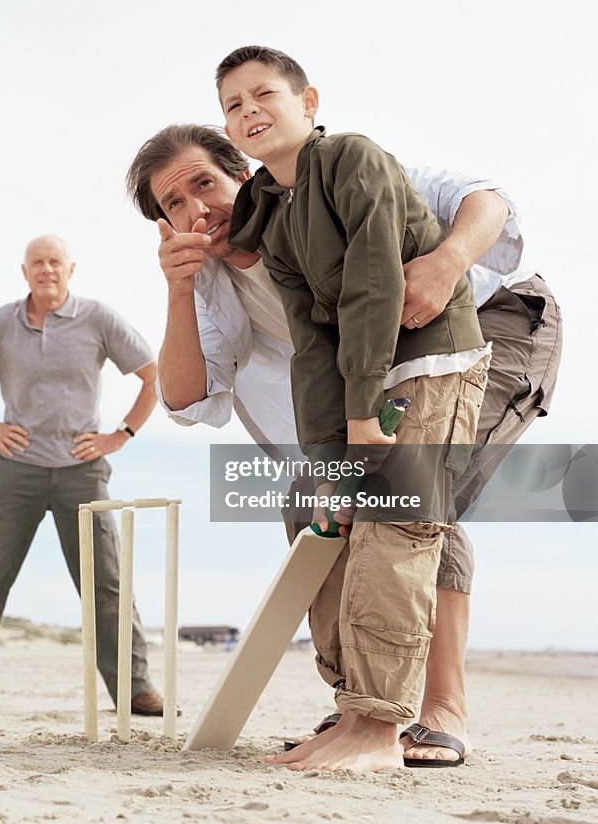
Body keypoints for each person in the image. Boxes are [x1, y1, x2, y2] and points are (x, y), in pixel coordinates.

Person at [126, 69, 559, 770]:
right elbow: (183, 399)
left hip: (491, 322)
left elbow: (488, 202)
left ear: (242, 170)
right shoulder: (211, 285)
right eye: (174, 204)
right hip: (373, 384)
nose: (196, 209)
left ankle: (437, 711)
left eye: (204, 184)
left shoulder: (330, 175)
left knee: (409, 496)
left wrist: (446, 262)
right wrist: (177, 293)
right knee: (314, 501)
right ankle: (358, 700)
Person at [0, 234, 167, 717]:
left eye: (54, 262)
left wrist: (121, 434)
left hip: (83, 473)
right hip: (17, 473)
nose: (46, 270)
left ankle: (135, 691)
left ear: (72, 269)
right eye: (36, 263)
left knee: (107, 582)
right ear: (24, 272)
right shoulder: (2, 324)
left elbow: (154, 376)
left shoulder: (98, 318)